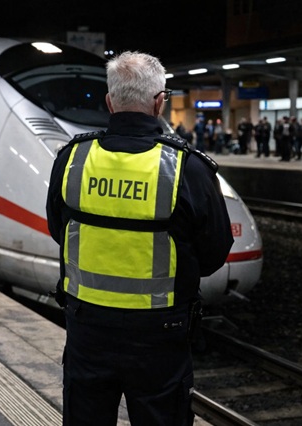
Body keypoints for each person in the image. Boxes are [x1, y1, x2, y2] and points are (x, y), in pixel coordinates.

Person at [46, 51, 234, 426]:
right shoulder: (188, 167)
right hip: (160, 335)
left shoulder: (72, 159)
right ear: (160, 102)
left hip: (87, 328)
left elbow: (58, 230)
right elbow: (214, 252)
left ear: (109, 101)